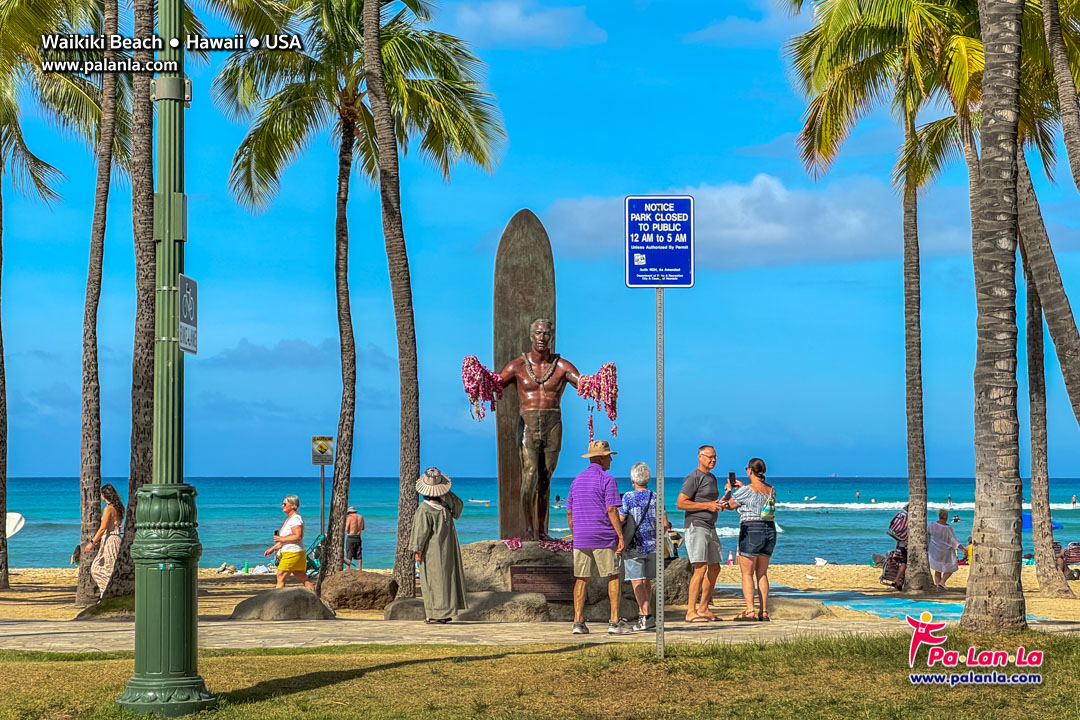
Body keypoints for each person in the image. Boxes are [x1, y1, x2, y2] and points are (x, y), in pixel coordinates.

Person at [498, 318, 582, 540]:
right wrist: (477, 378)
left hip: (553, 423)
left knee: (545, 479)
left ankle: (542, 531)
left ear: (551, 337)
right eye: (538, 333)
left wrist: (601, 382)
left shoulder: (562, 366)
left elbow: (582, 383)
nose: (542, 337)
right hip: (528, 422)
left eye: (546, 333)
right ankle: (528, 530)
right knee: (530, 475)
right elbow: (496, 383)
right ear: (531, 336)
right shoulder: (517, 366)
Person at [567, 440, 631, 635]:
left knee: (581, 578)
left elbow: (569, 512)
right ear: (602, 458)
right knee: (613, 576)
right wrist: (620, 536)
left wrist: (575, 532)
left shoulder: (576, 480)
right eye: (609, 456)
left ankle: (577, 621)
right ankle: (614, 621)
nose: (611, 460)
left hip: (581, 537)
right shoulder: (607, 480)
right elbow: (611, 509)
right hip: (603, 536)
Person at [410, 468, 467, 624]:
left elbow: (420, 533)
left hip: (432, 552)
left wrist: (417, 551)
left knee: (432, 581)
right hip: (448, 550)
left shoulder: (424, 509)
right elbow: (459, 506)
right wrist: (445, 493)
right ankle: (445, 611)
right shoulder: (445, 508)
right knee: (446, 579)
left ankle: (436, 614)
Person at [676, 445, 724, 622]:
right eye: (710, 457)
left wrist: (721, 502)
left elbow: (710, 501)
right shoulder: (693, 478)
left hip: (710, 525)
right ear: (700, 457)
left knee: (715, 567)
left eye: (715, 457)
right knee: (700, 567)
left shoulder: (712, 478)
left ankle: (703, 608)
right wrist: (707, 506)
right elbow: (681, 503)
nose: (713, 460)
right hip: (696, 525)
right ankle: (691, 611)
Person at [724, 458, 776, 621]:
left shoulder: (746, 490)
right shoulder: (771, 489)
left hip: (751, 529)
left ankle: (750, 610)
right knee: (762, 573)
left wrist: (729, 490)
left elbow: (729, 505)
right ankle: (764, 611)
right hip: (770, 530)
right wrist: (742, 489)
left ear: (750, 471)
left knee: (747, 573)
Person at [619, 461, 658, 631]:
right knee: (646, 581)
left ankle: (645, 615)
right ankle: (645, 613)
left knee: (637, 581)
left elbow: (621, 519)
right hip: (653, 545)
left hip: (634, 545)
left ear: (633, 480)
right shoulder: (656, 496)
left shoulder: (628, 497)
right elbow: (664, 524)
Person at [265, 495, 315, 591]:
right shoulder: (291, 518)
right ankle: (314, 595)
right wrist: (273, 548)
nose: (282, 506)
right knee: (303, 578)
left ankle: (278, 598)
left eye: (285, 504)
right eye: (282, 504)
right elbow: (287, 540)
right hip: (294, 552)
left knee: (280, 575)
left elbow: (298, 536)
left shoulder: (295, 519)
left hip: (292, 553)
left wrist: (281, 538)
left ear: (293, 505)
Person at [85, 483, 124, 598]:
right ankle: (108, 592)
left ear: (103, 495)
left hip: (110, 540)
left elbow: (103, 528)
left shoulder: (108, 509)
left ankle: (106, 592)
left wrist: (91, 543)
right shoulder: (118, 508)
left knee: (97, 569)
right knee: (109, 567)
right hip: (116, 539)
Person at [928, 508, 964, 588]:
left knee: (938, 569)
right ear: (946, 517)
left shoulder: (932, 525)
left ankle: (938, 585)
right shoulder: (948, 528)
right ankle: (942, 582)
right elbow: (953, 540)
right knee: (952, 567)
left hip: (935, 550)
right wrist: (962, 548)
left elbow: (926, 533)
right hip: (946, 551)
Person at [887, 504, 909, 590]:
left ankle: (899, 582)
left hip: (900, 541)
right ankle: (897, 580)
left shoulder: (900, 514)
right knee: (905, 563)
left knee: (903, 562)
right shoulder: (909, 517)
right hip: (907, 543)